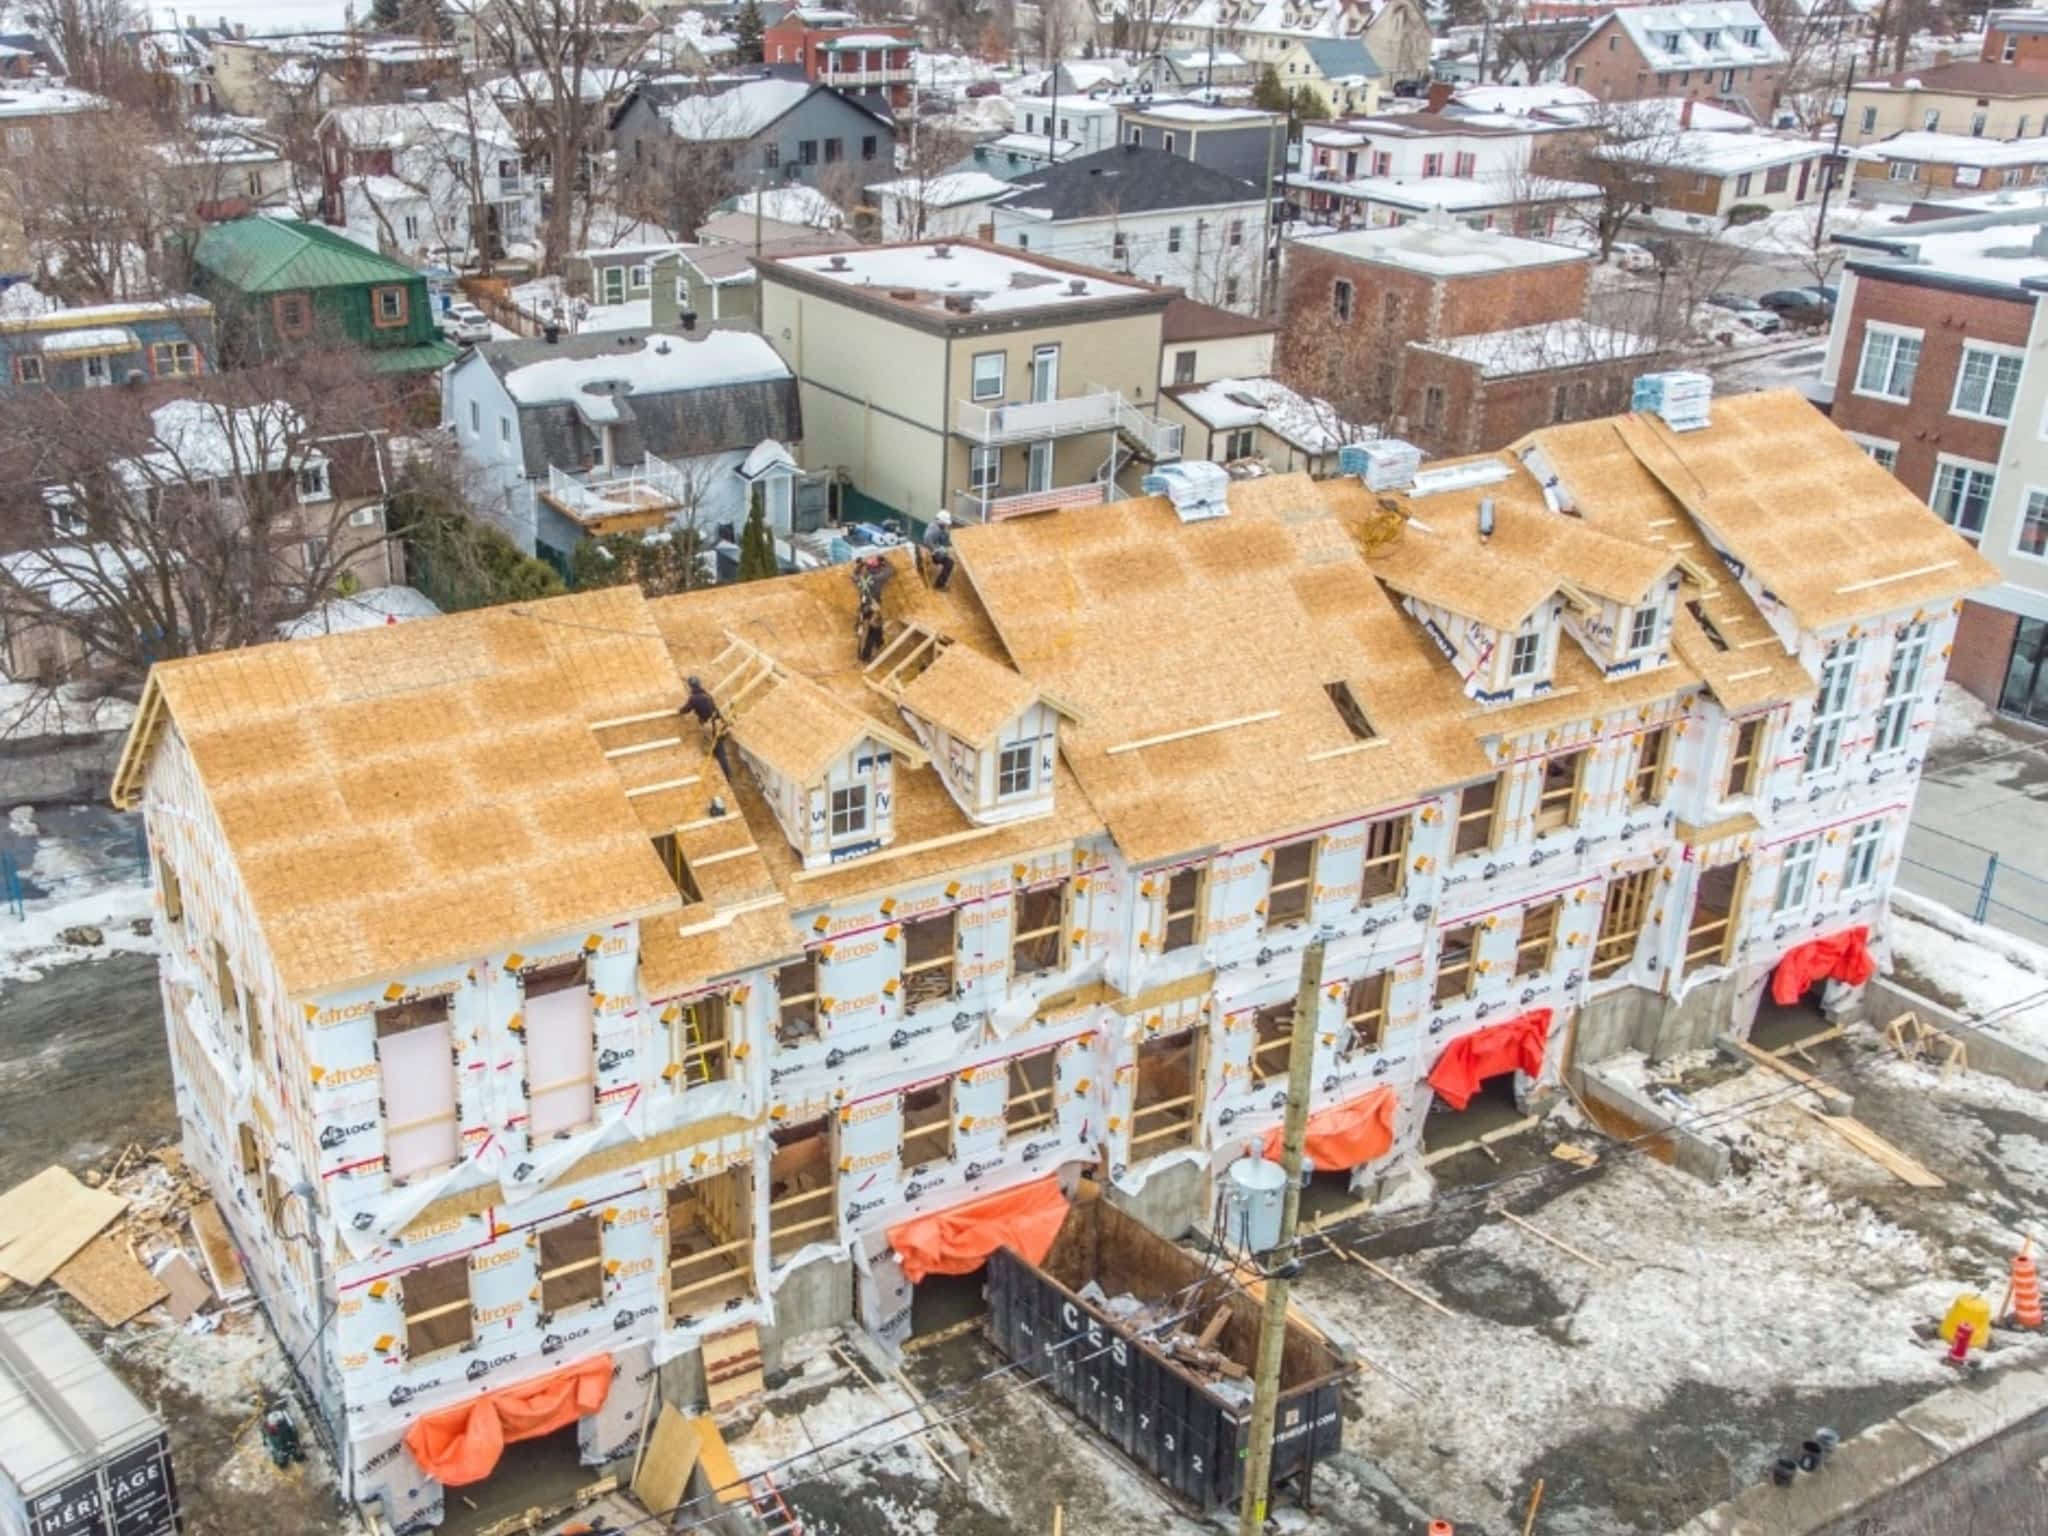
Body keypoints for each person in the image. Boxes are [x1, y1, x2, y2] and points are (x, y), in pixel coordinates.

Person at [683, 674, 732, 778]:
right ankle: (724, 768)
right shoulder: (706, 694)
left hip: (711, 727)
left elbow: (686, 710)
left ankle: (727, 774)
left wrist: (678, 711)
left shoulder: (693, 698)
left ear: (690, 687)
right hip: (717, 722)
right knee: (718, 746)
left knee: (719, 750)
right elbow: (715, 708)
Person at [852, 553, 894, 662]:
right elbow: (890, 570)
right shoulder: (878, 578)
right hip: (873, 606)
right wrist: (884, 561)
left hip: (864, 605)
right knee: (872, 630)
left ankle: (879, 641)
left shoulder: (861, 578)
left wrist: (860, 565)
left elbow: (853, 575)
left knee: (874, 625)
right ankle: (865, 655)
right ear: (877, 568)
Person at [923, 510, 955, 591]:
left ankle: (940, 583)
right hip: (930, 553)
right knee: (949, 563)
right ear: (941, 521)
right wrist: (936, 550)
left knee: (947, 557)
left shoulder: (939, 527)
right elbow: (926, 540)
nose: (946, 525)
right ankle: (939, 585)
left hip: (934, 550)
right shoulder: (934, 529)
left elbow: (944, 540)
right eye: (945, 523)